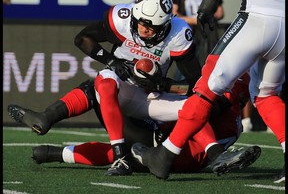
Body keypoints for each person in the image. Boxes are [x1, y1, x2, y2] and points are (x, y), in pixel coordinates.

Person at [7, 0, 260, 177]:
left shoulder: (178, 35)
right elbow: (82, 38)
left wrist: (161, 83)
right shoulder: (121, 17)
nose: (143, 31)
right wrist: (111, 61)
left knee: (194, 103)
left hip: (153, 109)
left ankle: (59, 146)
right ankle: (112, 151)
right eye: (140, 24)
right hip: (131, 96)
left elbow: (195, 87)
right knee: (104, 80)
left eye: (151, 28)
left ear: (165, 26)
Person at [131, 0, 285, 183]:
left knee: (205, 88)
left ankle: (165, 155)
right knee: (267, 96)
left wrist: (209, 2)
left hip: (256, 16)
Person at [29, 73, 259, 175]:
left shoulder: (222, 107)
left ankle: (47, 118)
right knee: (125, 154)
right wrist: (165, 87)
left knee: (95, 87)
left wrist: (160, 90)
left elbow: (199, 109)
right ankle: (53, 153)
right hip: (180, 156)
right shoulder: (234, 118)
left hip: (168, 149)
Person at [168, 0, 224, 67]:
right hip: (187, 35)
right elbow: (173, 14)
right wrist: (197, 20)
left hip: (209, 36)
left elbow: (220, 12)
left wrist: (207, 18)